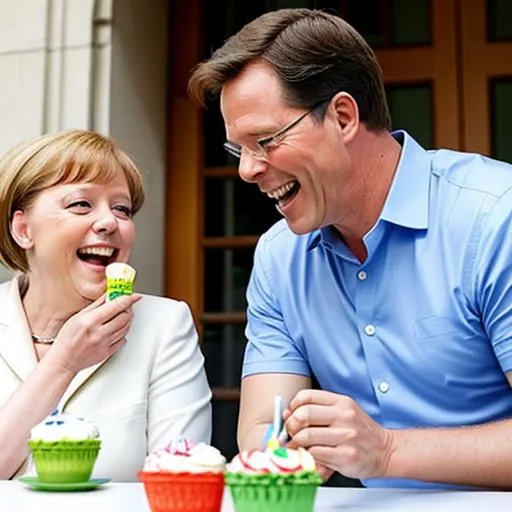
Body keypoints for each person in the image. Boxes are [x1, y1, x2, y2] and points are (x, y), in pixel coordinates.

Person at [187, 8, 512, 489]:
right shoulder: (279, 257)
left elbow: (380, 451)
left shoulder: (495, 218)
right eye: (239, 150)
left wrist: (386, 451)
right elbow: (261, 434)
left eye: (265, 141)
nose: (247, 171)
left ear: (342, 116)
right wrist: (288, 452)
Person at [0, 130, 212, 481]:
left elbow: (180, 482)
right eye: (81, 204)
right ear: (23, 229)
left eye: (122, 209)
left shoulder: (164, 325)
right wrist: (63, 362)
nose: (109, 222)